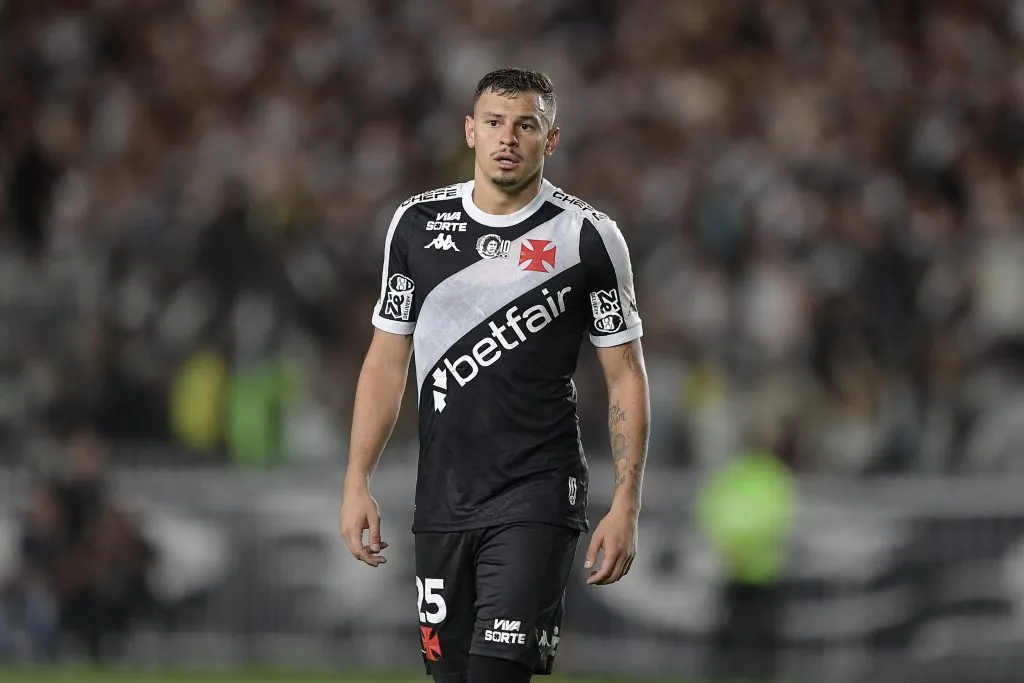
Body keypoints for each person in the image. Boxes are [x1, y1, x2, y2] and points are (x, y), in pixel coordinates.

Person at [339, 68, 651, 683]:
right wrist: (356, 481)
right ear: (470, 132)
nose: (508, 137)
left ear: (550, 140)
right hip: (444, 497)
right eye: (494, 122)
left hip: (538, 491)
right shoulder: (415, 226)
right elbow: (385, 359)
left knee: (494, 677)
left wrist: (627, 504)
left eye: (526, 125)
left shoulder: (587, 237)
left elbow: (626, 377)